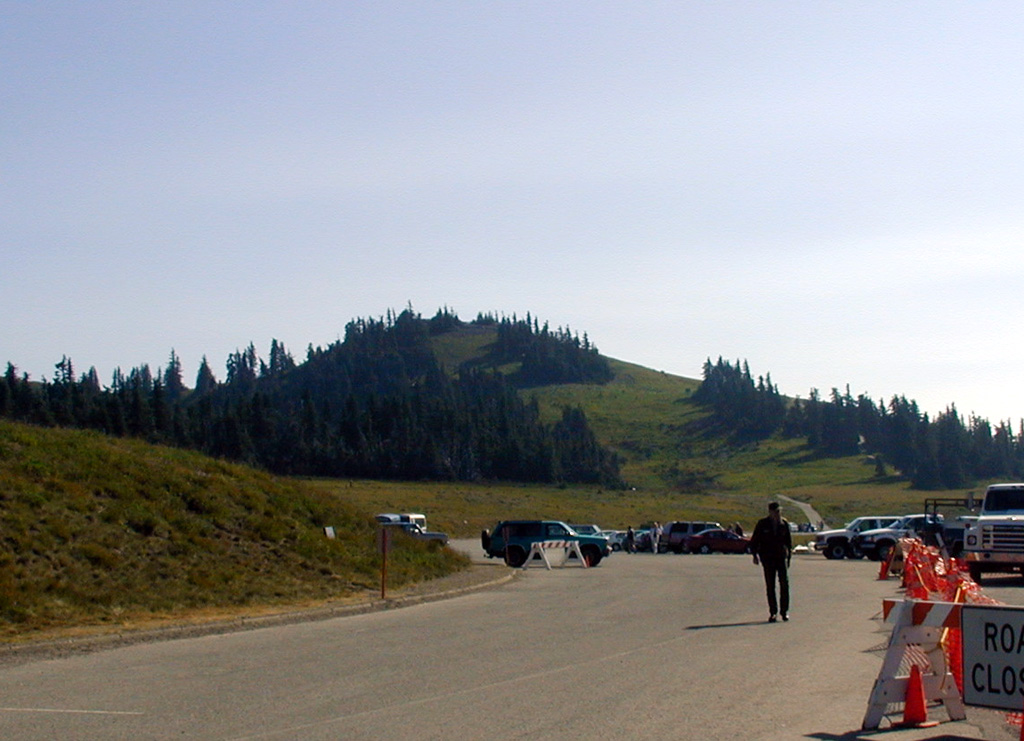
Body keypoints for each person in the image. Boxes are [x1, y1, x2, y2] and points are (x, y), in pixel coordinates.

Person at [749, 501, 792, 623]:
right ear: (770, 512)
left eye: (779, 511)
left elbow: (788, 543)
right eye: (775, 512)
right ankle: (773, 612)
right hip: (768, 558)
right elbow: (755, 541)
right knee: (770, 585)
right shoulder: (763, 524)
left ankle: (784, 611)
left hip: (781, 557)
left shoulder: (784, 524)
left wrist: (788, 558)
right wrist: (755, 556)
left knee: (784, 584)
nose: (777, 514)